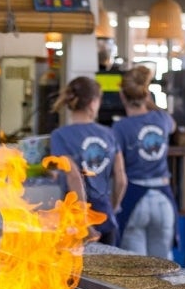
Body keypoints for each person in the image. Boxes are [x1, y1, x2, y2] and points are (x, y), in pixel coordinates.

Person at [50, 76, 127, 245]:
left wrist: (84, 220)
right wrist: (112, 209)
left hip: (77, 219)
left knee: (77, 271)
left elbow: (74, 177)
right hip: (106, 217)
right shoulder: (110, 134)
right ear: (93, 102)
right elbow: (121, 179)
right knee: (109, 270)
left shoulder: (60, 136)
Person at [112, 65, 177, 259]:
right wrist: (150, 103)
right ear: (146, 94)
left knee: (136, 269)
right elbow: (173, 126)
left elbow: (117, 171)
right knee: (165, 267)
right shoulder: (162, 118)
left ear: (122, 96)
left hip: (134, 198)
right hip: (163, 199)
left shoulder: (120, 127)